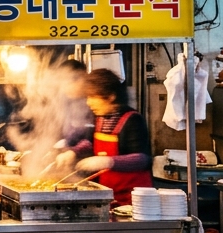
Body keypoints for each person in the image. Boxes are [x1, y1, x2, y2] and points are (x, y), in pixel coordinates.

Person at [56, 68, 153, 206]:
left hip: (135, 199)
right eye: (87, 97)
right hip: (110, 195)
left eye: (93, 97)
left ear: (110, 96)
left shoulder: (133, 119)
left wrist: (108, 161)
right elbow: (90, 142)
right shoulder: (101, 118)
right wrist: (73, 152)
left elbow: (142, 159)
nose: (89, 103)